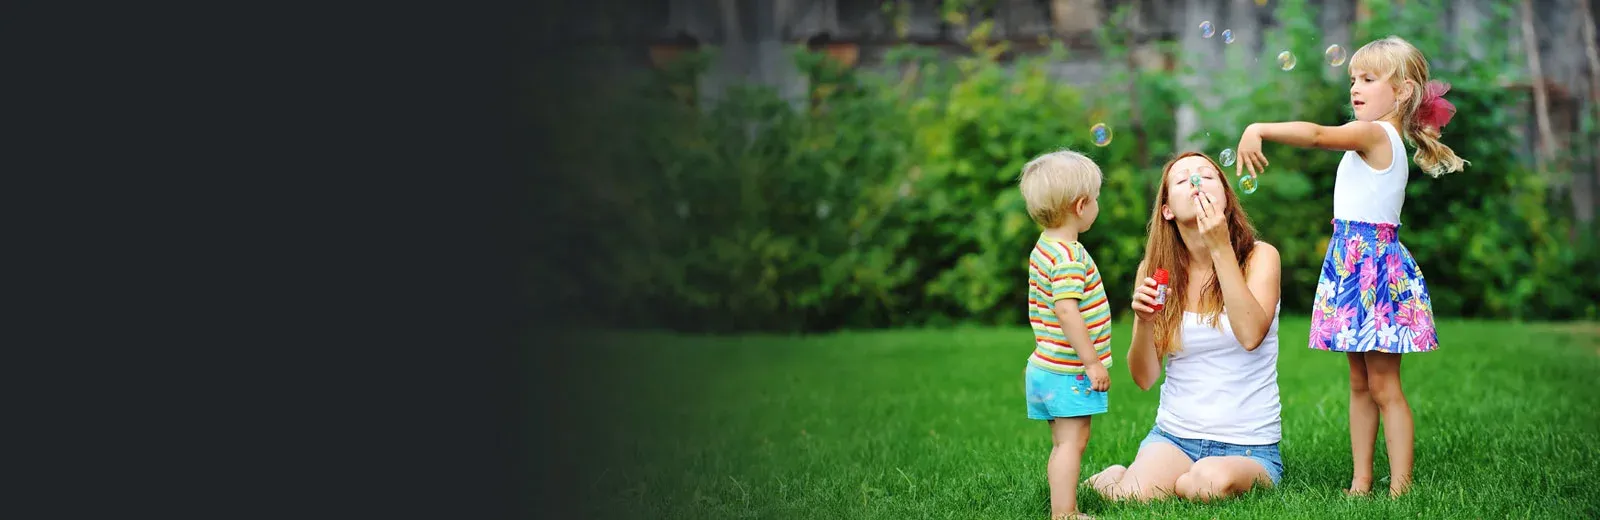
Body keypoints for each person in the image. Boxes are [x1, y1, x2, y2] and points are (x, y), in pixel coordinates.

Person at [1232, 35, 1464, 497]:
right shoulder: (1380, 135)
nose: (1355, 87)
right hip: (1354, 265)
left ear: (1400, 92)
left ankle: (1401, 488)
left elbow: (1318, 135)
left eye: (1368, 79)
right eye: (1353, 78)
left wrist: (1259, 127)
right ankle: (1361, 482)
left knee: (1383, 386)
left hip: (1372, 271)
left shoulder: (1375, 133)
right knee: (1361, 382)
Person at [1084, 151, 1285, 502]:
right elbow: (1145, 378)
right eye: (1182, 180)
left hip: (1249, 446)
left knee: (1206, 483)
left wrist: (1220, 247)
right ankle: (1122, 478)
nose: (1195, 182)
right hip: (1175, 437)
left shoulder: (1260, 257)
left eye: (1207, 176)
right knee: (1133, 497)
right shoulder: (1155, 271)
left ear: (1225, 198)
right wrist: (1144, 323)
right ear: (1167, 209)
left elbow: (1251, 334)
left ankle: (1165, 479)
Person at [1018, 150, 1114, 520]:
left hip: (1044, 366)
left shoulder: (1044, 247)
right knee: (1072, 444)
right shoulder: (1069, 257)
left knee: (1062, 444)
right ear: (1080, 206)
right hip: (1068, 371)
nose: (1097, 206)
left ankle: (1062, 503)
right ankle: (1065, 514)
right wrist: (1092, 363)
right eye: (1096, 199)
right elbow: (1066, 310)